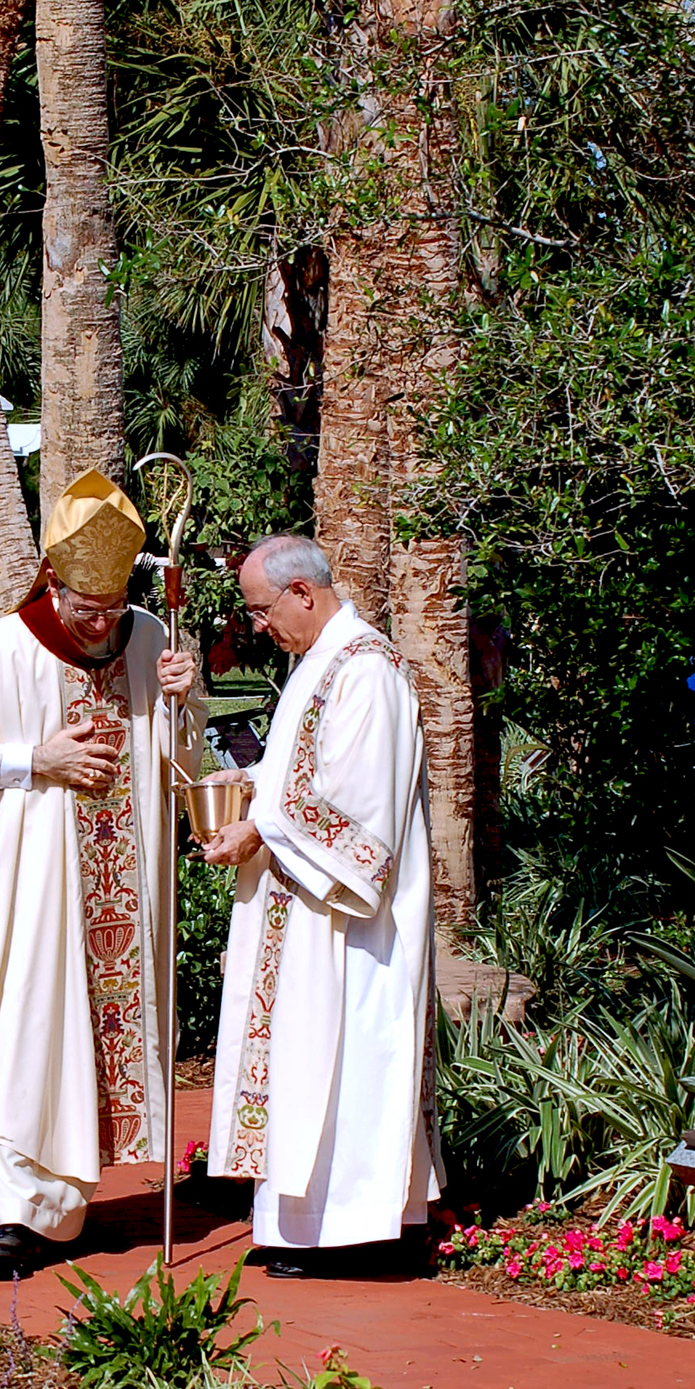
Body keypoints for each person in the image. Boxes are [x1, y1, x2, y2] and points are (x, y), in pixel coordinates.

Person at [0, 472, 204, 1275]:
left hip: (123, 894)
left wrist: (183, 697)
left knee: (95, 1038)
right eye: (85, 611)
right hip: (31, 893)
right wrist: (34, 759)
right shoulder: (8, 644)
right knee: (26, 1033)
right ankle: (21, 1210)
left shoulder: (148, 637)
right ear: (54, 586)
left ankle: (65, 1204)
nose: (101, 627)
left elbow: (182, 762)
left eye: (111, 610)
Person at [200, 535, 442, 1274]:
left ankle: (356, 1234)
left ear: (302, 591)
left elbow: (362, 813)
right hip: (301, 908)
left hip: (350, 926)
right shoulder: (320, 663)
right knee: (309, 1063)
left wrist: (262, 826)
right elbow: (296, 773)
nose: (258, 626)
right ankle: (305, 1228)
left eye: (261, 609)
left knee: (347, 1060)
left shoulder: (366, 670)